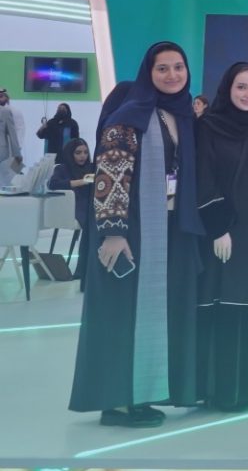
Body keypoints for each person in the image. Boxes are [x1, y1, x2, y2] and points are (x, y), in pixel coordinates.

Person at [69, 42, 203, 428]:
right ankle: (117, 403)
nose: (172, 75)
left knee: (154, 314)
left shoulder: (181, 114)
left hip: (168, 227)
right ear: (149, 72)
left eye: (178, 67)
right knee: (121, 315)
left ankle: (141, 394)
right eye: (163, 68)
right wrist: (114, 233)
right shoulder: (129, 117)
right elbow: (109, 176)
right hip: (132, 230)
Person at [194, 63, 248, 413]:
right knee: (222, 306)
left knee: (247, 306)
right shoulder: (208, 127)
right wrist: (218, 227)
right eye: (242, 87)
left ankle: (243, 389)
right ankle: (218, 392)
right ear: (228, 88)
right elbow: (204, 178)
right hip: (221, 231)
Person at [48, 137, 94, 287]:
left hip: (91, 205)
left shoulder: (92, 167)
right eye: (78, 152)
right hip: (73, 207)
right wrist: (82, 182)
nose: (83, 156)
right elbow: (53, 184)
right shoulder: (62, 168)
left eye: (85, 152)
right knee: (91, 223)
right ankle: (83, 270)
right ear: (70, 153)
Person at [0, 87, 22, 189]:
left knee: (10, 176)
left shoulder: (13, 111)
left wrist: (17, 152)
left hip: (11, 148)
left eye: (1, 96)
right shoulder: (6, 110)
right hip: (8, 147)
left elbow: (18, 132)